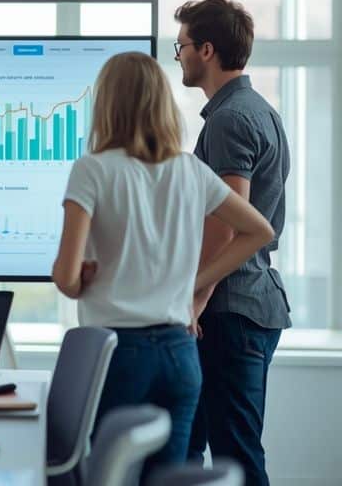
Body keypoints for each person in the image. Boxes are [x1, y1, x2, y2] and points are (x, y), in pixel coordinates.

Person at [51, 52, 274, 476]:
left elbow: (65, 277)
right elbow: (259, 230)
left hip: (118, 354)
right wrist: (195, 282)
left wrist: (80, 279)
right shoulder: (191, 170)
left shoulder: (92, 170)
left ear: (108, 104)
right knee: (169, 478)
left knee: (104, 475)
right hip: (179, 353)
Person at [175, 0, 291, 486]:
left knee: (236, 458)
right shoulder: (257, 110)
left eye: (180, 46)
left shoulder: (230, 120)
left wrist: (194, 301)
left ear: (206, 49)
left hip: (228, 311)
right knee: (200, 449)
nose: (176, 56)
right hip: (248, 304)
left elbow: (228, 223)